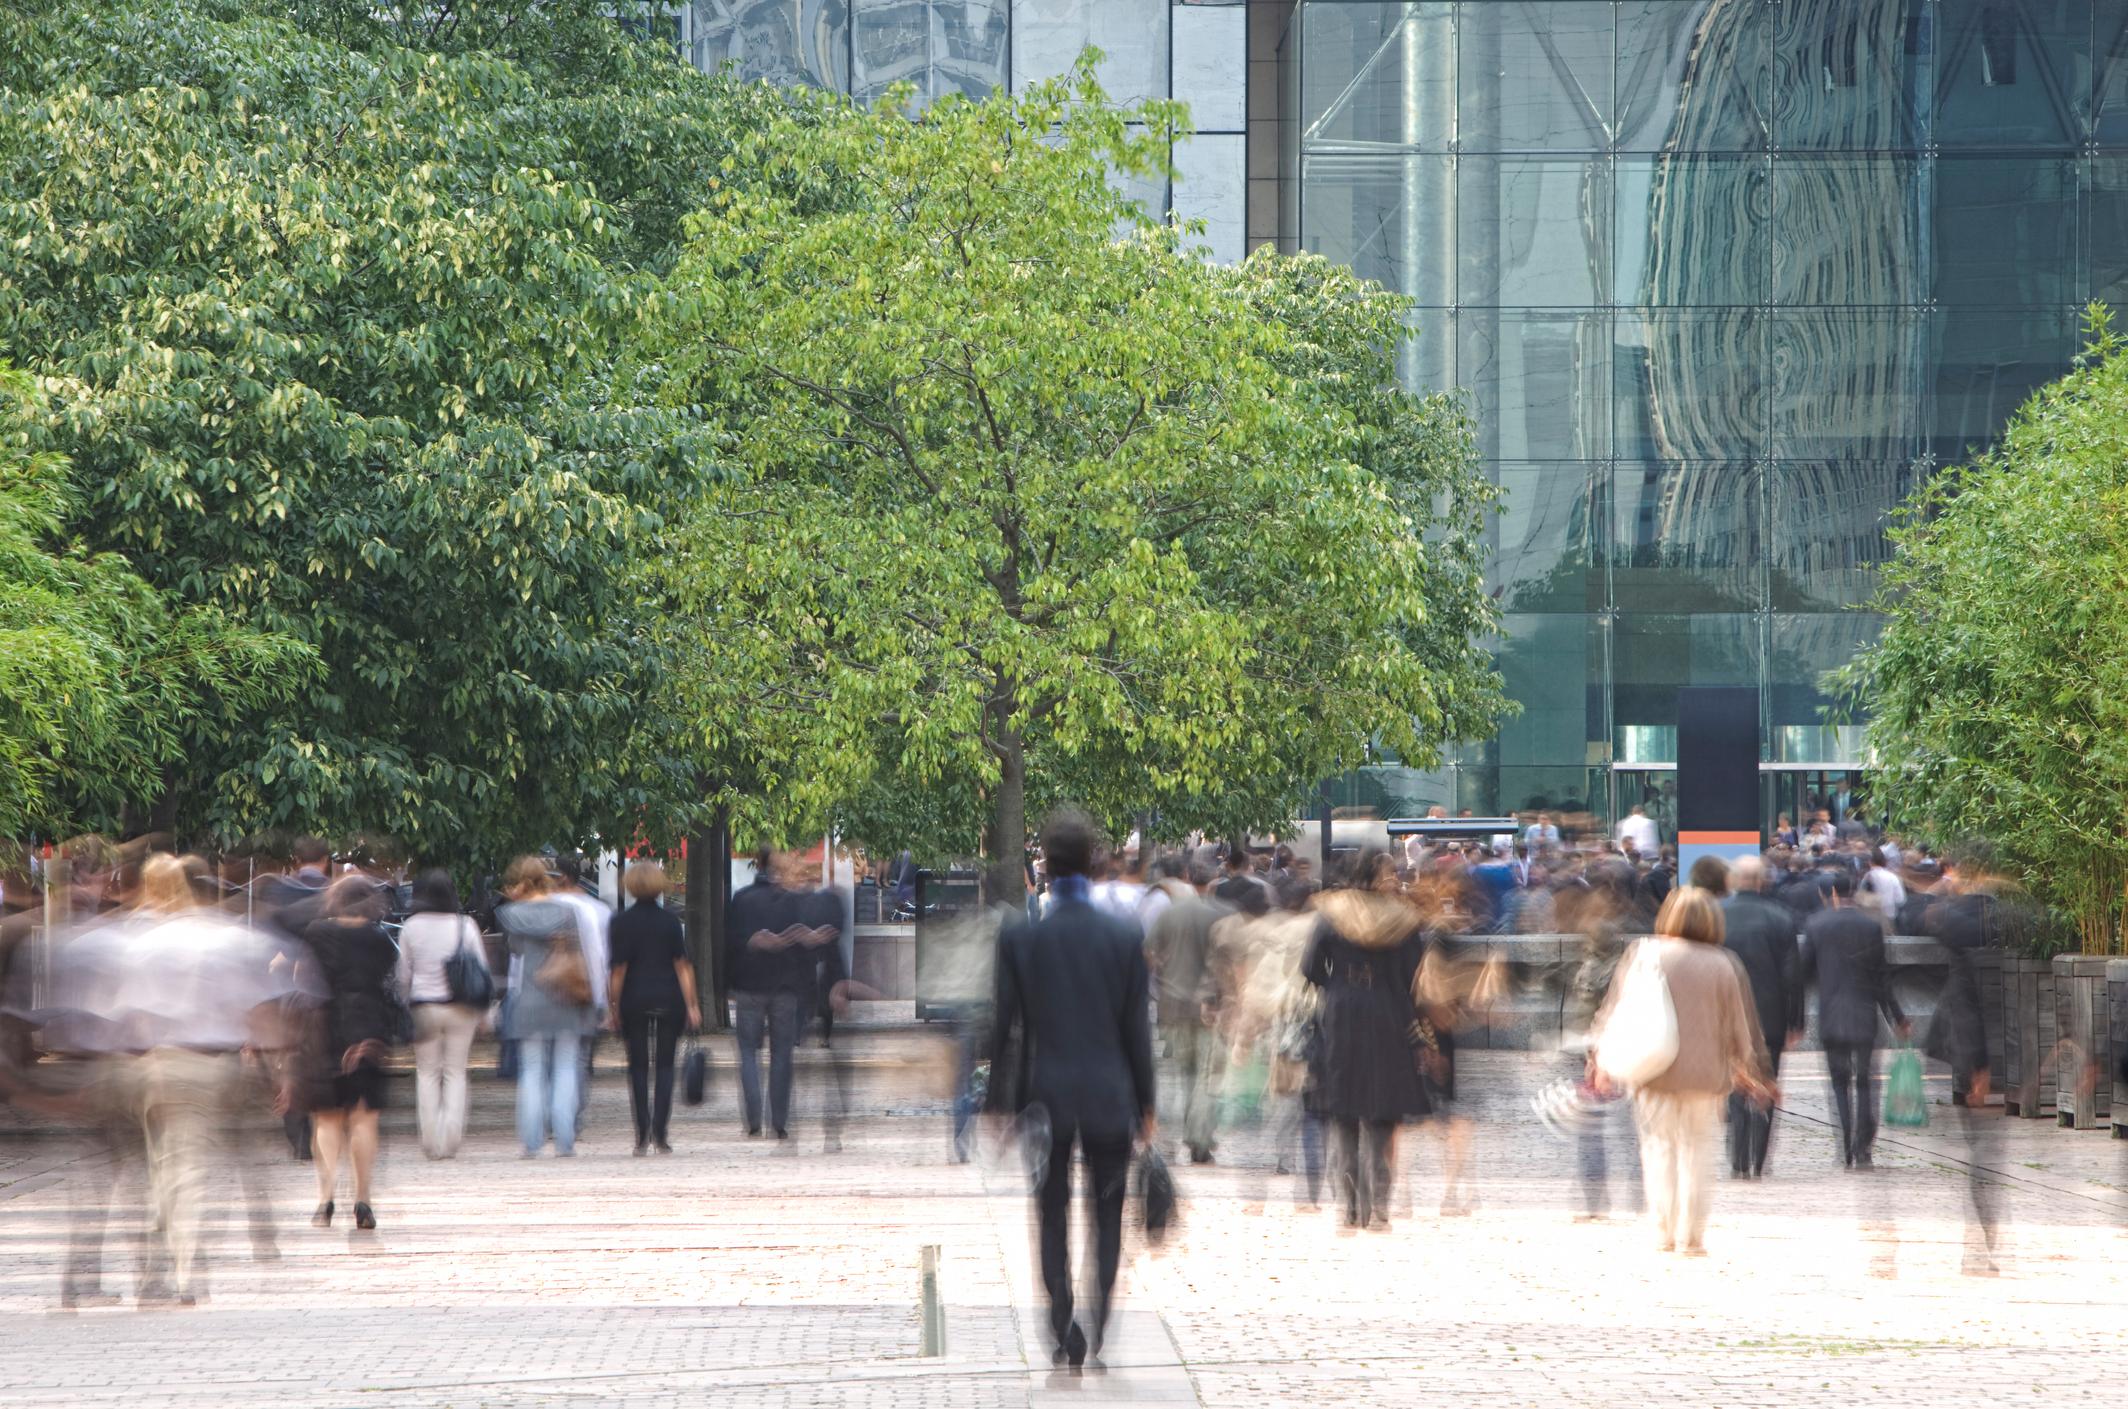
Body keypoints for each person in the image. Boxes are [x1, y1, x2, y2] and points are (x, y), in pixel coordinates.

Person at [988, 811, 1156, 1370]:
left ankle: (1062, 1322)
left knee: (1050, 1209)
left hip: (1048, 1095)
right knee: (1108, 1213)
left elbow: (1005, 1027)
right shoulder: (1123, 936)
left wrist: (998, 1103)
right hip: (1110, 1094)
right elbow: (1136, 1030)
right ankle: (1099, 1317)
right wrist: (1147, 1104)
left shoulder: (1022, 938)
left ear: (1045, 865)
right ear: (1091, 862)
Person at [1591, 887, 1772, 1256]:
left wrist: (1601, 1059)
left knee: (1658, 1149)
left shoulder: (1644, 953)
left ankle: (1663, 1231)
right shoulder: (1724, 963)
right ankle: (1691, 1236)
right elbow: (1740, 1027)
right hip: (1706, 1077)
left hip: (1653, 1070)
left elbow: (1615, 1010)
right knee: (1698, 1152)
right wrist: (1754, 1072)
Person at [1302, 849, 1429, 1232]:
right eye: (1390, 872)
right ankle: (1380, 1208)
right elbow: (1414, 976)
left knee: (1343, 1110)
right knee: (1382, 1111)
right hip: (1388, 1012)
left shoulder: (1331, 912)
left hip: (1342, 1012)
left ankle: (1350, 1209)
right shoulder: (1402, 918)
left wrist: (1337, 984)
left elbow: (1310, 967)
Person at [299, 874, 401, 1230]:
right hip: (370, 1027)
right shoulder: (380, 939)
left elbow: (301, 980)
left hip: (325, 1027)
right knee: (364, 1118)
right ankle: (363, 1199)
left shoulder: (315, 933)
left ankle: (325, 1199)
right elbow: (389, 981)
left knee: (326, 1118)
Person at [1804, 868, 1907, 1169]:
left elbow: (1802, 971)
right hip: (1864, 1014)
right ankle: (1863, 1147)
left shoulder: (1816, 924)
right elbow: (1882, 979)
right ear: (1853, 891)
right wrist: (1897, 1017)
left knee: (1839, 1082)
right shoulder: (1870, 927)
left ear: (1832, 893)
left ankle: (1845, 1144)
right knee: (1864, 1081)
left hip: (1832, 1014)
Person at [497, 857, 597, 1157]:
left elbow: (515, 951)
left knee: (532, 1070)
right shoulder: (566, 911)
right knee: (566, 1067)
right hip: (565, 995)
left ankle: (532, 1142)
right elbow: (578, 950)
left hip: (530, 998)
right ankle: (564, 1139)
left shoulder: (511, 914)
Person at [608, 861, 700, 1156]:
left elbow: (618, 970)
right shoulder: (670, 922)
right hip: (668, 997)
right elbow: (682, 966)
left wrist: (613, 1006)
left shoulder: (621, 922)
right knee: (664, 1066)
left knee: (637, 1067)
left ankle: (641, 1134)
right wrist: (692, 1004)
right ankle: (661, 1133)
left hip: (633, 998)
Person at [1719, 856, 1804, 1178]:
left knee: (1734, 1082)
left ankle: (1738, 1157)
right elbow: (1792, 975)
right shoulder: (1780, 917)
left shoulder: (1718, 915)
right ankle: (1759, 1158)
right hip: (1771, 1018)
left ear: (1733, 880)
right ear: (1761, 880)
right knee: (1768, 1081)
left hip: (1729, 1017)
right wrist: (1795, 1020)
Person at [395, 869, 488, 1160]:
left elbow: (403, 975)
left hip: (424, 1007)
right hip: (462, 1008)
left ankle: (430, 1140)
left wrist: (404, 1002)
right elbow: (481, 968)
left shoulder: (411, 927)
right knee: (455, 1072)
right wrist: (483, 1011)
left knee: (427, 1073)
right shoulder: (465, 925)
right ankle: (451, 1138)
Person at [1144, 848, 1228, 1164]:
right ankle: (1199, 1138)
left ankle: (1186, 1131)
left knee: (1184, 1073)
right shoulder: (1221, 915)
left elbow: (1148, 954)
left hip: (1173, 1005)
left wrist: (1161, 978)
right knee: (1207, 1075)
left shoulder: (1169, 914)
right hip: (1210, 1008)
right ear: (1214, 881)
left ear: (1188, 878)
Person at [725, 848, 811, 1139]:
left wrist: (729, 983)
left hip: (749, 986)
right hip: (784, 987)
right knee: (782, 1054)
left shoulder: (741, 899)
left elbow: (731, 944)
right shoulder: (792, 900)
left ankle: (753, 1120)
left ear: (757, 864)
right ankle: (779, 1121)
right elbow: (802, 946)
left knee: (748, 1052)